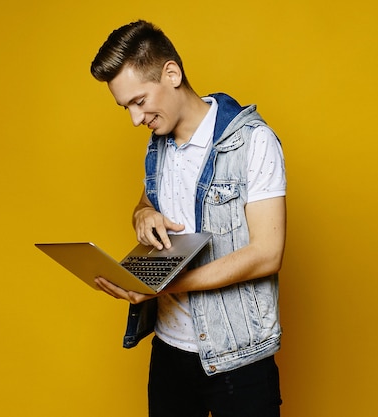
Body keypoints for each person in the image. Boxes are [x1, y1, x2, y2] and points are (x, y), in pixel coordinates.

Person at [90, 20, 286, 417]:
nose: (134, 118)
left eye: (139, 101)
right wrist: (142, 214)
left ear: (172, 74)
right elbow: (147, 200)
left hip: (239, 356)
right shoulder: (158, 145)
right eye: (125, 106)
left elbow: (267, 253)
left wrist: (166, 286)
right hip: (169, 351)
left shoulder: (252, 141)